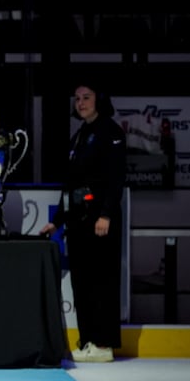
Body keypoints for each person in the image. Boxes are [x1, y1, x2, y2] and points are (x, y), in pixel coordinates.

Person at [39, 81, 126, 363]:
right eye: (77, 99)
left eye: (86, 97)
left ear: (99, 99)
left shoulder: (111, 132)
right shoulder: (79, 135)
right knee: (82, 284)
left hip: (99, 221)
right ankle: (88, 340)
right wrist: (57, 221)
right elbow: (70, 185)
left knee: (102, 282)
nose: (81, 103)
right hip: (78, 223)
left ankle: (103, 343)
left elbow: (116, 178)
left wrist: (106, 214)